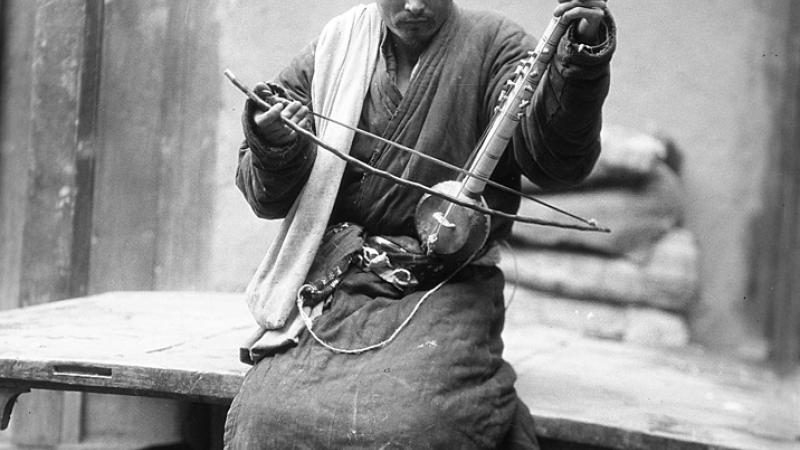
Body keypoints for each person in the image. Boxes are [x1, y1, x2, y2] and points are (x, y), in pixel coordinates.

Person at [225, 0, 615, 448]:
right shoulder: (339, 45)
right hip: (342, 286)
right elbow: (263, 193)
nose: (414, 5)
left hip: (448, 284)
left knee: (414, 424)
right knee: (268, 416)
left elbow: (556, 163)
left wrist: (580, 53)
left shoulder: (495, 45)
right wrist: (275, 140)